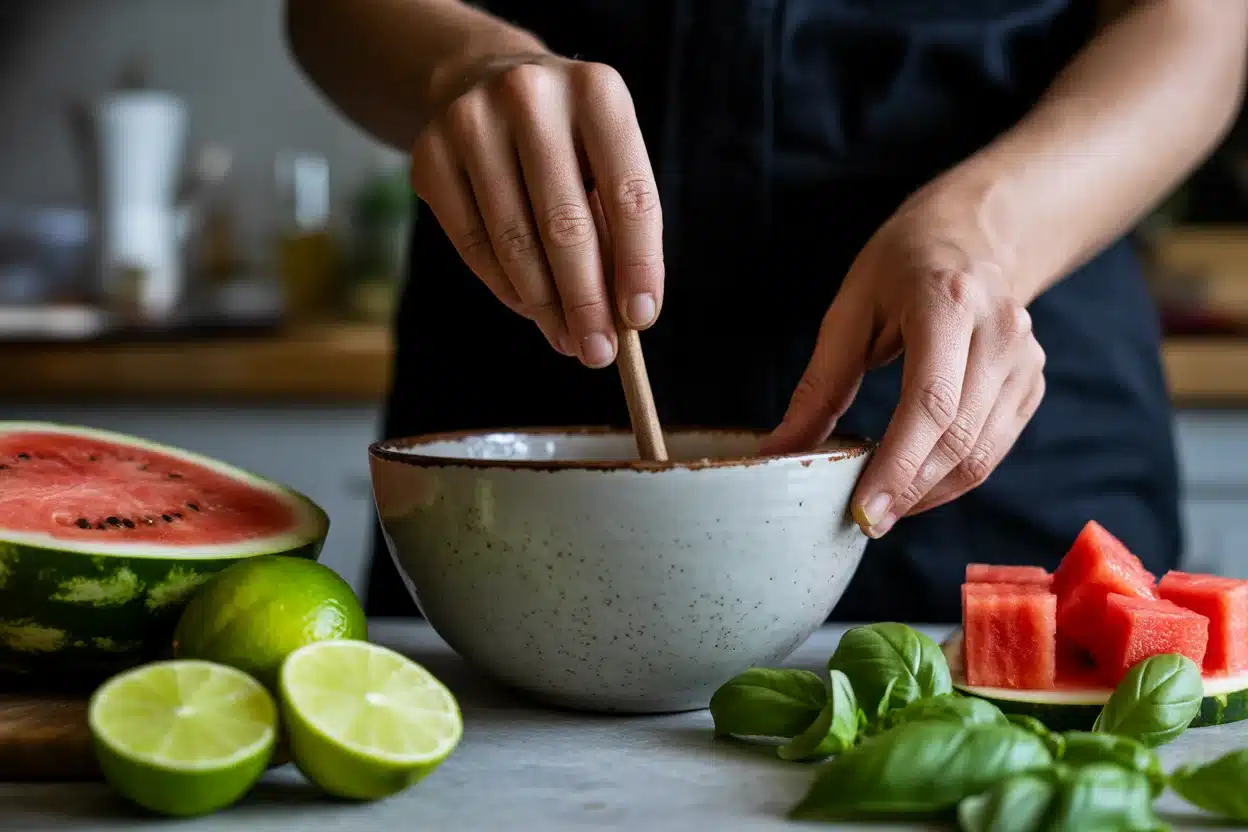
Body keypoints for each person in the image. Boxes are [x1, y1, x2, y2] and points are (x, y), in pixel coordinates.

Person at [285, 0, 1248, 623]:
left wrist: (985, 233)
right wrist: (461, 68)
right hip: (519, 386)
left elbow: (1202, 22)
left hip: (992, 363)